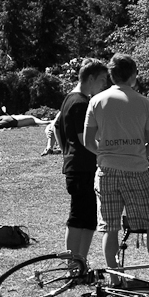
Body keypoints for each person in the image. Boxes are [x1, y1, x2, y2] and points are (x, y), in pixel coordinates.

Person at [82, 55, 149, 277]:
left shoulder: (96, 101)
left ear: (111, 75)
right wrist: (135, 154)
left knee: (110, 228)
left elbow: (88, 141)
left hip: (106, 172)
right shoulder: (145, 103)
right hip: (137, 170)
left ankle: (114, 276)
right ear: (133, 75)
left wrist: (106, 153)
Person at [55, 59, 111, 260]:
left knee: (88, 219)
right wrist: (106, 153)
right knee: (78, 217)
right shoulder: (80, 103)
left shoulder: (70, 98)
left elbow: (56, 127)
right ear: (91, 78)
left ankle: (81, 262)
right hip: (81, 169)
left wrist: (66, 152)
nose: (104, 84)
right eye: (102, 79)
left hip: (79, 166)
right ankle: (72, 264)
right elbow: (84, 138)